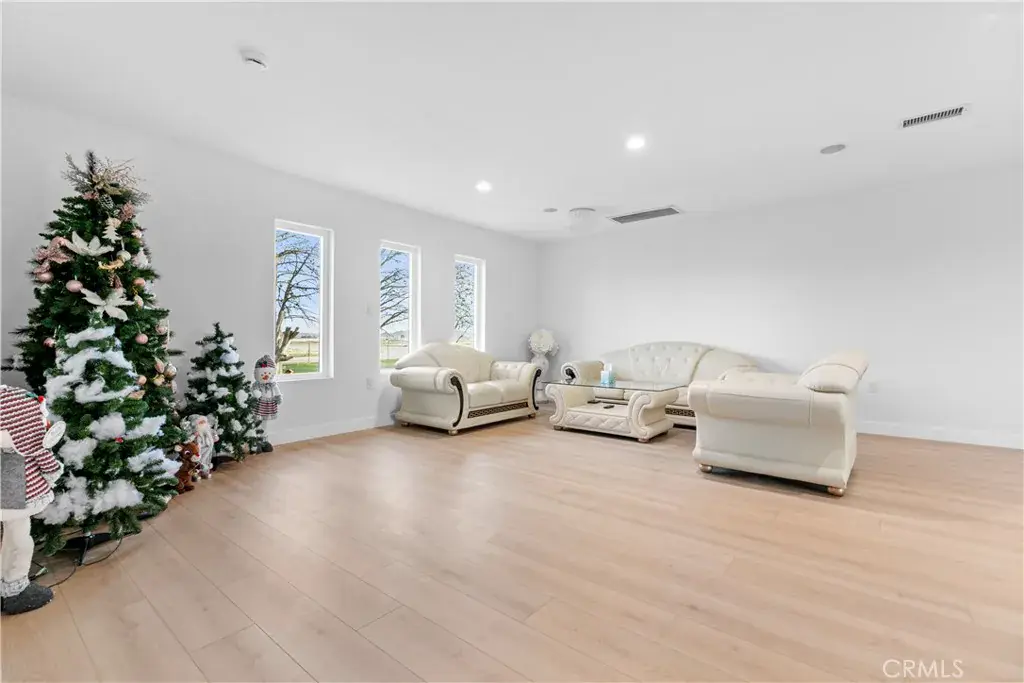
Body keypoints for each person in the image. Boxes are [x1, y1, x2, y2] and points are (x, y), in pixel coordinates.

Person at [0, 385, 66, 614]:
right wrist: (53, 470)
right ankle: (14, 588)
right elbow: (47, 463)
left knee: (14, 535)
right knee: (20, 540)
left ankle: (8, 582)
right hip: (16, 488)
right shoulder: (19, 409)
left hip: (10, 485)